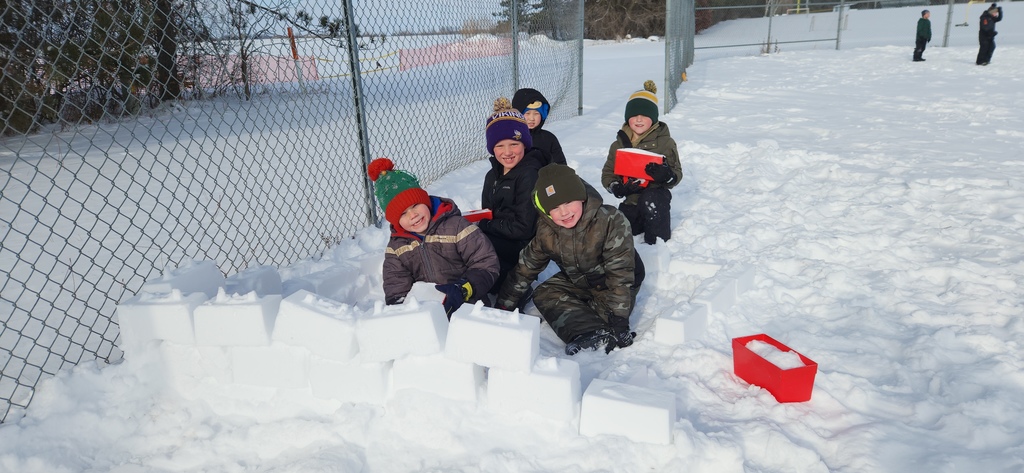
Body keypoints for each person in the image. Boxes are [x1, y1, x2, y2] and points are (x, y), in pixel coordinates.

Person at [495, 164, 645, 356]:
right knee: (543, 294)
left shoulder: (609, 220)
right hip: (581, 279)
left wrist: (620, 321)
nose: (564, 212)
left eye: (567, 202)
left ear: (581, 197)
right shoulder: (547, 232)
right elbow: (526, 268)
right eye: (555, 208)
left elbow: (620, 274)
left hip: (615, 283)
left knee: (607, 315)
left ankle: (604, 326)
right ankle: (591, 332)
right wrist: (503, 306)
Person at [368, 157, 500, 318]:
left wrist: (464, 289)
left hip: (468, 303)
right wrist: (400, 310)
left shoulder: (457, 227)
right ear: (396, 221)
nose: (413, 215)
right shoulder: (397, 247)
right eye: (403, 213)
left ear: (426, 201)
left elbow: (486, 262)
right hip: (427, 312)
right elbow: (396, 282)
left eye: (415, 205)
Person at [479, 97, 546, 305]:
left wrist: (486, 226)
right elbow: (487, 211)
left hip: (523, 246)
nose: (507, 152)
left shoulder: (529, 174)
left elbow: (524, 228)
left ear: (524, 143)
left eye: (514, 144)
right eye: (500, 145)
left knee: (476, 244)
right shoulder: (492, 176)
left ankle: (513, 285)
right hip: (499, 238)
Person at [600, 80, 683, 245]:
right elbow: (608, 173)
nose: (639, 119)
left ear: (653, 118)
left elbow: (677, 174)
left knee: (651, 199)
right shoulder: (618, 145)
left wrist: (666, 175)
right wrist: (616, 187)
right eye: (634, 115)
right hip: (631, 199)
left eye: (644, 115)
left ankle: (657, 243)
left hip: (656, 198)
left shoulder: (665, 142)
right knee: (617, 228)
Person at [511, 88, 567, 166]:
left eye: (536, 113)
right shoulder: (510, 137)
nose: (532, 118)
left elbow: (561, 165)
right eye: (527, 113)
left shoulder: (549, 139)